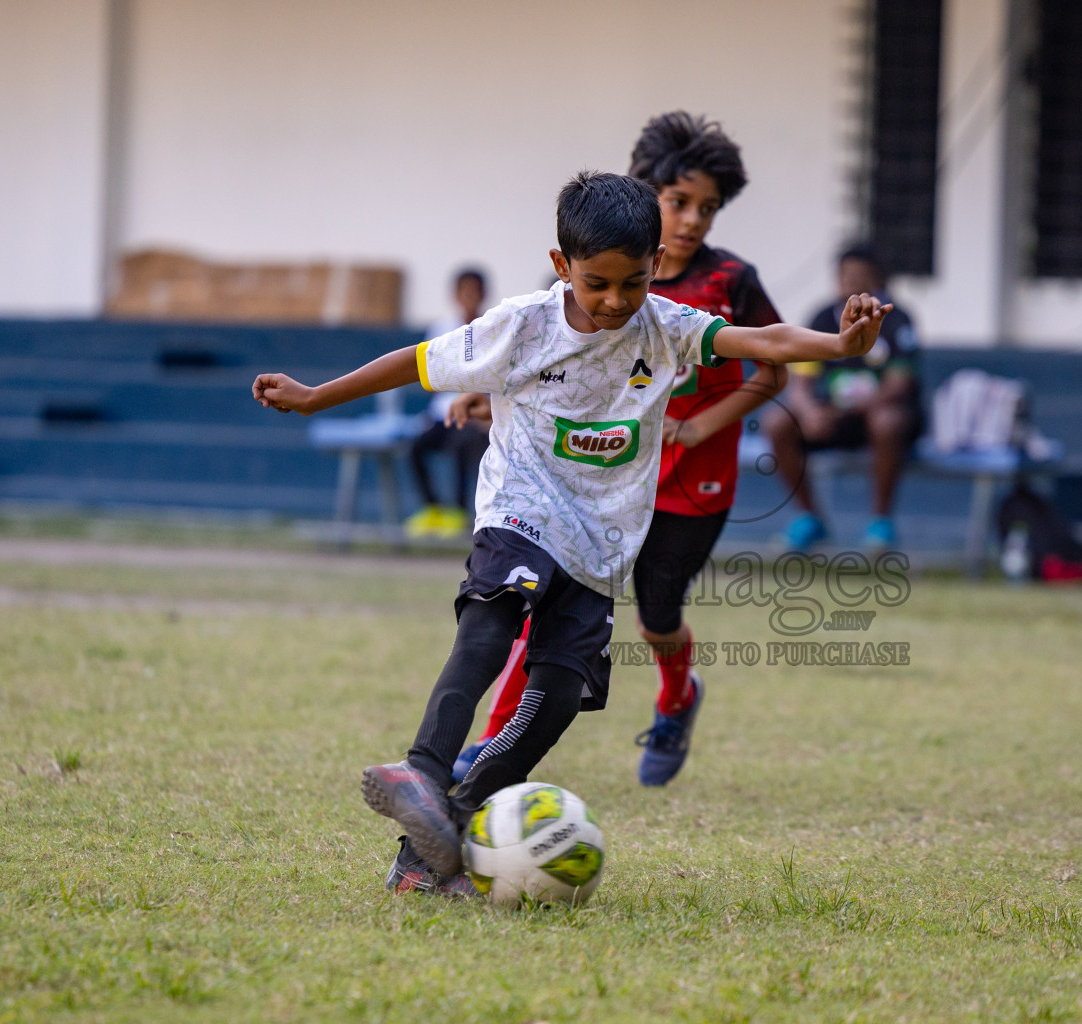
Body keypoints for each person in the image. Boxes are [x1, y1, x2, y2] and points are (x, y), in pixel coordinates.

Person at [252, 171, 890, 891]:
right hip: (521, 511)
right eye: (597, 284)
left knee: (557, 695)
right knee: (492, 623)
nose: (616, 301)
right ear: (562, 266)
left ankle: (441, 838)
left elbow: (762, 338)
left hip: (603, 543)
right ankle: (424, 772)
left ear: (655, 265)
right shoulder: (521, 324)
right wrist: (316, 397)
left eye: (634, 282)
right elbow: (419, 363)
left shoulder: (668, 326)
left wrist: (840, 348)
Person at [449, 111, 788, 788]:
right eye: (679, 203)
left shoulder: (731, 282)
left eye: (708, 209)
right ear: (646, 194)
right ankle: (489, 744)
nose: (692, 220)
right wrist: (491, 398)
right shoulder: (604, 271)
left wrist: (698, 427)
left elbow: (773, 371)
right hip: (591, 478)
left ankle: (675, 699)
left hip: (690, 480)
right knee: (539, 598)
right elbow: (550, 364)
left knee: (657, 615)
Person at [762, 246, 921, 550]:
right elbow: (801, 383)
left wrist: (842, 412)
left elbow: (898, 385)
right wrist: (809, 412)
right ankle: (809, 519)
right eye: (846, 277)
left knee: (886, 421)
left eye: (862, 277)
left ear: (879, 280)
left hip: (884, 422)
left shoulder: (897, 319)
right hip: (833, 420)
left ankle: (880, 524)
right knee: (777, 422)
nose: (852, 284)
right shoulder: (822, 318)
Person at [405, 268, 491, 539]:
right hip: (444, 415)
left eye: (473, 292)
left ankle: (459, 512)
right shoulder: (441, 330)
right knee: (416, 447)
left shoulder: (492, 328)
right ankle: (433, 510)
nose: (468, 297)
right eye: (463, 292)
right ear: (455, 295)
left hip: (477, 416)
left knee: (464, 445)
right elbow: (431, 378)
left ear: (483, 295)